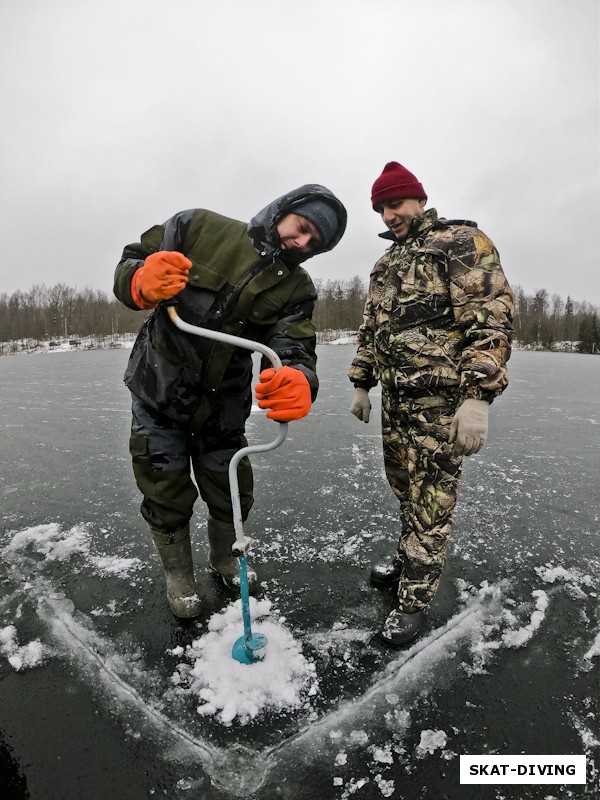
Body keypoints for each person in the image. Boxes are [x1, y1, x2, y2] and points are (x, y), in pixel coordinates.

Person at [114, 185, 347, 618]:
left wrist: (299, 379)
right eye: (302, 228)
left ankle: (224, 559)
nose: (302, 242)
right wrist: (140, 280)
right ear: (283, 211)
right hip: (158, 391)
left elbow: (292, 346)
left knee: (232, 491)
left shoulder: (297, 288)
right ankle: (178, 575)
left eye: (315, 243)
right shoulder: (197, 227)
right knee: (164, 490)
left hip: (222, 408)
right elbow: (130, 261)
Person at [348, 161, 513, 646]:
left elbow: (489, 317)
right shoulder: (387, 263)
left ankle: (414, 602)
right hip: (399, 406)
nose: (388, 216)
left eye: (394, 204)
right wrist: (362, 381)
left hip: (442, 406)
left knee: (431, 504)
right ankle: (407, 561)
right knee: (405, 493)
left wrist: (477, 396)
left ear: (418, 199)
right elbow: (371, 329)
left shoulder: (460, 242)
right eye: (380, 208)